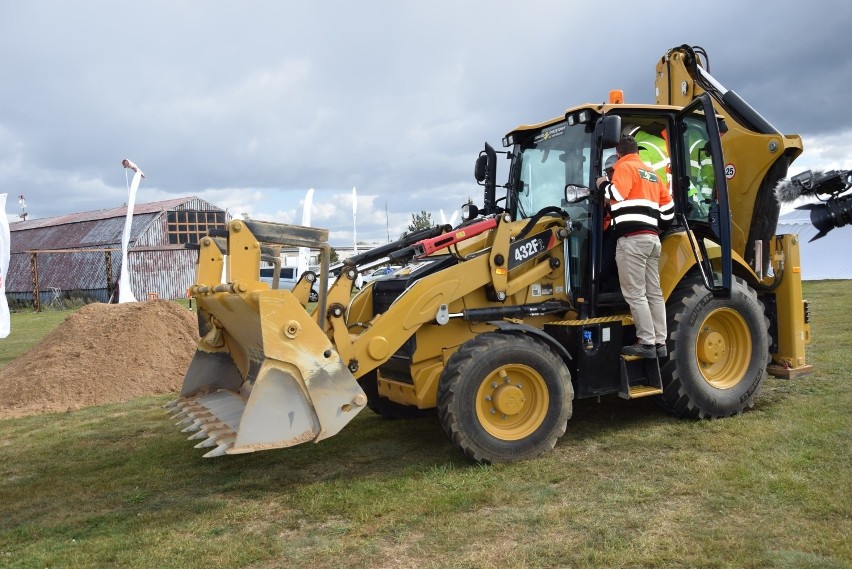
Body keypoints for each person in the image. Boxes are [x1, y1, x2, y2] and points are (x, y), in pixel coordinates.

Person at [596, 135, 674, 358]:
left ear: (619, 154)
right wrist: (656, 226)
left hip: (632, 240)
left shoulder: (623, 167)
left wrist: (603, 184)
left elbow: (616, 194)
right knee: (654, 293)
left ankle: (647, 342)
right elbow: (668, 209)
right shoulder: (650, 173)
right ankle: (660, 341)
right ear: (637, 152)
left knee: (635, 293)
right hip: (652, 239)